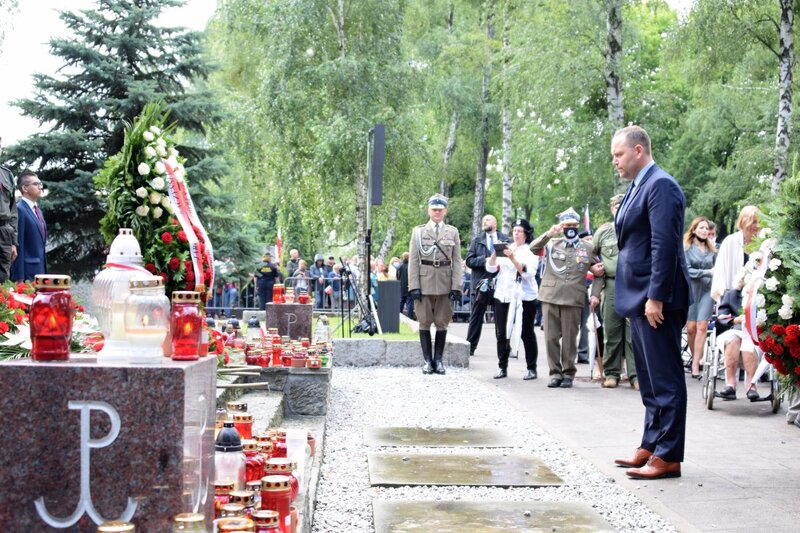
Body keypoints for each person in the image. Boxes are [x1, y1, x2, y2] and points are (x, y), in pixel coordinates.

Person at [611, 125, 691, 480]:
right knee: (649, 378)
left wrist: (655, 297)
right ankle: (652, 443)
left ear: (639, 150)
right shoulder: (637, 186)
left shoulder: (661, 185)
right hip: (639, 297)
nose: (615, 161)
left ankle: (668, 455)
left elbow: (664, 245)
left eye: (619, 154)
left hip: (657, 298)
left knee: (665, 378)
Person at [531, 207, 598, 389]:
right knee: (550, 338)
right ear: (562, 227)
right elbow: (533, 248)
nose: (571, 228)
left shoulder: (587, 247)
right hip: (550, 296)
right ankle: (555, 373)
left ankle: (568, 373)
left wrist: (595, 293)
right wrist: (550, 233)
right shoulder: (552, 244)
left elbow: (599, 271)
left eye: (574, 225)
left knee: (569, 339)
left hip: (572, 297)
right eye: (567, 225)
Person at [408, 193, 464, 375]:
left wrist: (456, 286)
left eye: (440, 210)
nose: (437, 212)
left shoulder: (452, 232)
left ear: (445, 211)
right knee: (424, 322)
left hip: (445, 283)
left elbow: (457, 261)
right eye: (434, 209)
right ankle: (427, 361)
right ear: (429, 210)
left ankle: (438, 360)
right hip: (424, 283)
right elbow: (413, 261)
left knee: (442, 322)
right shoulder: (418, 232)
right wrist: (413, 286)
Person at [709, 206, 761, 400]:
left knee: (749, 340)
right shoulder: (731, 242)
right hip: (733, 300)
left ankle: (751, 384)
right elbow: (721, 273)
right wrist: (727, 300)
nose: (756, 225)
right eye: (753, 221)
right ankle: (730, 384)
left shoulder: (763, 244)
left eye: (758, 222)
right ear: (744, 221)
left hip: (755, 301)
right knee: (733, 339)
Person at [589, 193, 637, 389]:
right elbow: (589, 253)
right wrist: (593, 268)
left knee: (633, 334)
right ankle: (611, 373)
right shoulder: (604, 231)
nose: (621, 209)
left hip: (634, 286)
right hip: (611, 285)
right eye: (617, 206)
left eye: (625, 205)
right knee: (611, 331)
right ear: (612, 209)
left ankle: (635, 375)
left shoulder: (639, 227)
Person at [485, 218, 539, 380]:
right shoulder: (507, 248)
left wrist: (513, 258)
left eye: (520, 231)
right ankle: (502, 366)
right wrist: (495, 254)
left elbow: (527, 273)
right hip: (503, 294)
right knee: (501, 332)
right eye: (514, 231)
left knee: (526, 332)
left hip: (524, 297)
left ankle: (531, 368)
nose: (516, 234)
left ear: (526, 234)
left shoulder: (529, 253)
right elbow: (491, 268)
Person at [465, 214, 510, 355]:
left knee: (501, 318)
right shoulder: (477, 240)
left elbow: (512, 259)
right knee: (476, 317)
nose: (484, 221)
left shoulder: (506, 240)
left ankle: (504, 348)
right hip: (481, 283)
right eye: (483, 220)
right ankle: (470, 347)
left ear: (495, 223)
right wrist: (485, 260)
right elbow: (469, 261)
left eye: (488, 219)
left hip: (501, 283)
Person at [683, 217, 716, 379]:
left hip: (707, 291)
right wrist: (707, 272)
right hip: (691, 290)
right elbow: (687, 270)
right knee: (691, 328)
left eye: (706, 228)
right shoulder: (686, 248)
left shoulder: (712, 250)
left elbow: (717, 269)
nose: (704, 231)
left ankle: (696, 365)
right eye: (701, 228)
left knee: (702, 325)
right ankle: (695, 356)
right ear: (694, 229)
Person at [10, 170, 47, 281]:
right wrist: (19, 278)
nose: (40, 187)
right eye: (36, 184)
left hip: (40, 271)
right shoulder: (19, 210)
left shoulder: (38, 211)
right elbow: (18, 245)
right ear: (25, 188)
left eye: (40, 184)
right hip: (26, 274)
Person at [0, 137, 18, 282]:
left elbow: (13, 211)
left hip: (4, 232)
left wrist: (13, 242)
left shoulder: (7, 175)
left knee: (3, 277)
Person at [396, 252, 414, 318]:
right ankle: (410, 317)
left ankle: (398, 315)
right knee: (410, 302)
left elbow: (397, 277)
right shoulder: (410, 267)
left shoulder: (399, 266)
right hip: (409, 286)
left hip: (401, 286)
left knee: (401, 301)